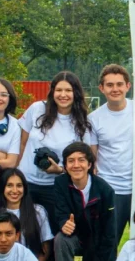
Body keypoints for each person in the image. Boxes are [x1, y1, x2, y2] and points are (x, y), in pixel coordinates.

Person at [17, 71, 97, 234]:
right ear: (52, 91)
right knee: (26, 232)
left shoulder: (82, 123)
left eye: (68, 90)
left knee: (57, 234)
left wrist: (60, 170)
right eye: (59, 90)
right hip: (27, 182)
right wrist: (14, 173)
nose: (63, 95)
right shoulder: (37, 109)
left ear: (76, 93)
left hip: (57, 187)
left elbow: (85, 161)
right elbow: (22, 142)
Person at [53, 142, 117, 261]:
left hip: (97, 245)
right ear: (65, 166)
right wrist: (63, 224)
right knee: (61, 239)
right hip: (75, 239)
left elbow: (109, 237)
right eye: (71, 160)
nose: (76, 165)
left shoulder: (105, 190)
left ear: (89, 164)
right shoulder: (60, 183)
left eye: (81, 160)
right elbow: (60, 213)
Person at [88, 64, 134, 243]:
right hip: (110, 189)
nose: (115, 89)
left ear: (128, 86)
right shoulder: (93, 119)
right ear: (101, 88)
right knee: (108, 242)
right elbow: (93, 157)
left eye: (119, 84)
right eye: (110, 85)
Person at [0, 168, 54, 261]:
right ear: (2, 188)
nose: (15, 190)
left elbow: (45, 249)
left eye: (19, 185)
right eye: (9, 185)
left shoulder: (38, 211)